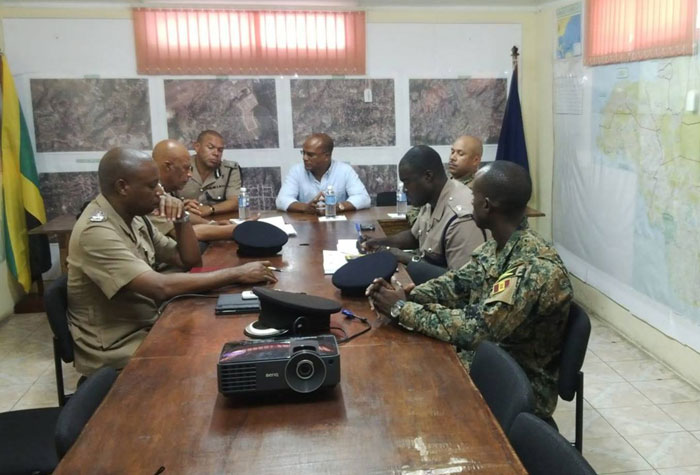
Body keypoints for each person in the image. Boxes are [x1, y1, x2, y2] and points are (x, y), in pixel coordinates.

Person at [366, 161, 572, 418]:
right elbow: (456, 283)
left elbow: (476, 330)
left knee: (408, 387)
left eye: (473, 195)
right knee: (397, 366)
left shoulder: (534, 268)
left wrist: (402, 309)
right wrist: (409, 295)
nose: (469, 200)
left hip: (515, 384)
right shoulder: (497, 245)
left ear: (486, 205)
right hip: (485, 358)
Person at [67, 148, 277, 376]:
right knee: (210, 360)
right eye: (151, 186)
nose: (160, 193)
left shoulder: (134, 218)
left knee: (224, 338)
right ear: (122, 187)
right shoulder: (96, 231)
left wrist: (181, 218)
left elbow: (188, 260)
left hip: (146, 323)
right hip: (119, 346)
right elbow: (160, 287)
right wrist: (236, 273)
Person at [358, 145, 486, 271]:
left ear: (428, 176)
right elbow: (414, 237)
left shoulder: (462, 218)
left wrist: (402, 256)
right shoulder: (431, 197)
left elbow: (462, 283)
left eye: (407, 182)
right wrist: (380, 243)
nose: (405, 189)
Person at [151, 139, 239, 241]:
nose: (190, 174)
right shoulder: (150, 195)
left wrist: (212, 224)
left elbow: (183, 215)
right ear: (168, 166)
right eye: (185, 168)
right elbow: (187, 234)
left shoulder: (161, 189)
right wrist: (237, 229)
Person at [276, 133, 371, 214]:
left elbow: (363, 198)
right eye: (303, 153)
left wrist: (339, 207)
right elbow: (281, 200)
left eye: (310, 154)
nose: (304, 158)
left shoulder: (345, 170)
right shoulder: (296, 171)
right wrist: (305, 207)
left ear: (326, 156)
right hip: (306, 226)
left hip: (338, 226)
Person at [406, 135, 483, 225]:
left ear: (475, 160)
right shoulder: (444, 183)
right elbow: (414, 210)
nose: (452, 158)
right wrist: (421, 227)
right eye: (452, 152)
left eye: (460, 154)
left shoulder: (479, 189)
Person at [177, 130, 242, 223]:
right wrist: (182, 206)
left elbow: (235, 202)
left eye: (220, 150)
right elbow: (165, 198)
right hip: (185, 222)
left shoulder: (230, 170)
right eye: (210, 147)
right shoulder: (181, 167)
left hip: (219, 222)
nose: (216, 153)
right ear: (197, 147)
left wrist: (210, 209)